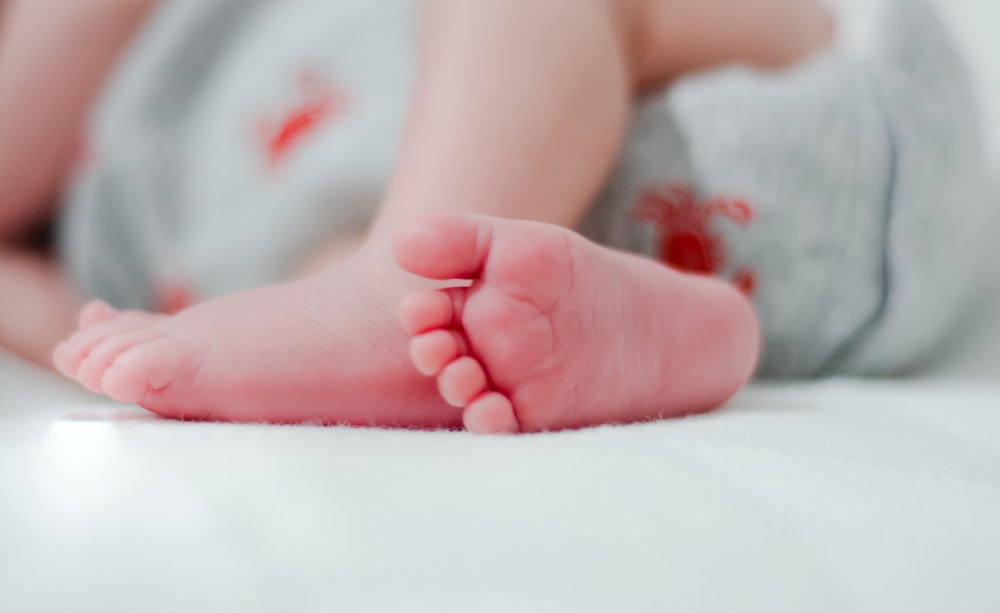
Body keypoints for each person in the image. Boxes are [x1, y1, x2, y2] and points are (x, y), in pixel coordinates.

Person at [4, 0, 990, 433]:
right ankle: (664, 337)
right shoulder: (109, 239)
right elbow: (107, 348)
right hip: (537, 285)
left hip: (803, 96)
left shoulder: (162, 37)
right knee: (329, 307)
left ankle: (399, 280)